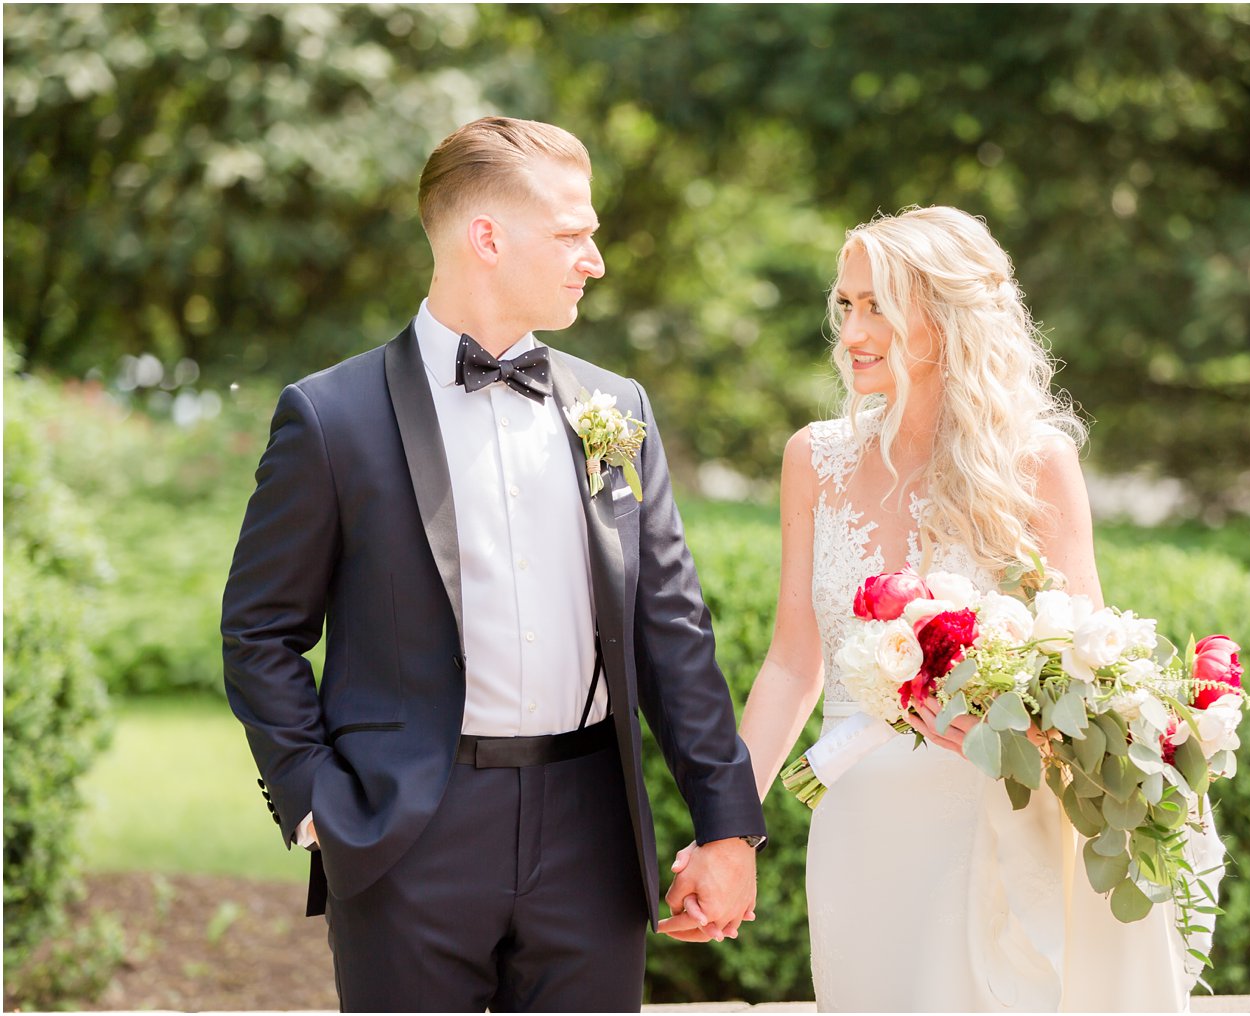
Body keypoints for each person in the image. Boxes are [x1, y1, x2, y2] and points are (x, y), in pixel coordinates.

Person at [221, 115, 766, 1013]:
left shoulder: (615, 408)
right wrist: (316, 797)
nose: (593, 259)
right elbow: (260, 631)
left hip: (593, 830)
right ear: (487, 238)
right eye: (571, 235)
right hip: (407, 835)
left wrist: (728, 827)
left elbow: (671, 626)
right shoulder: (331, 418)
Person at [725, 206, 1197, 1011]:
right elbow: (792, 662)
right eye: (846, 305)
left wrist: (1012, 731)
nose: (852, 330)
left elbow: (1090, 667)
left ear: (945, 318)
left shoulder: (1035, 464)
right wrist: (726, 825)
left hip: (996, 823)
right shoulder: (814, 459)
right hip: (861, 838)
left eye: (879, 305)